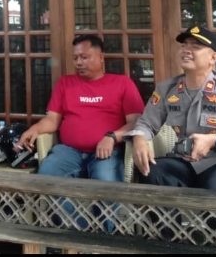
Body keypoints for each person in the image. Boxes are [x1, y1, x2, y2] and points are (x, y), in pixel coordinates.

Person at [126, 25, 216, 192]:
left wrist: (214, 140)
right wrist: (139, 139)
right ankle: (168, 212)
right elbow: (147, 123)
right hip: (182, 161)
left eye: (196, 46)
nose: (186, 50)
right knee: (151, 173)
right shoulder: (167, 89)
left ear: (213, 57)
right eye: (184, 45)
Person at [16, 34, 145, 182]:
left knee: (106, 183)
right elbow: (52, 120)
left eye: (84, 57)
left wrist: (113, 137)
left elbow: (136, 122)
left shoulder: (122, 83)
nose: (78, 62)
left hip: (107, 151)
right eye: (75, 58)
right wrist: (35, 129)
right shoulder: (65, 83)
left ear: (101, 58)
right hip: (68, 152)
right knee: (46, 177)